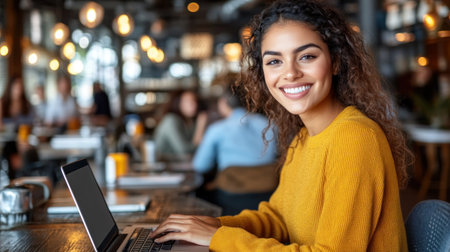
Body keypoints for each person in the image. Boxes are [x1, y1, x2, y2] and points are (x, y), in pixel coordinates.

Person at [150, 0, 413, 251]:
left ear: (335, 62)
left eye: (307, 56)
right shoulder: (303, 139)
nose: (290, 73)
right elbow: (277, 219)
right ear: (263, 73)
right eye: (274, 61)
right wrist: (215, 226)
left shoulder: (354, 138)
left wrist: (220, 237)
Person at [153, 90, 207, 160]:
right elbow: (184, 152)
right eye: (188, 101)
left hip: (181, 165)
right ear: (178, 103)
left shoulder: (191, 120)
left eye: (194, 101)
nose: (194, 105)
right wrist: (200, 128)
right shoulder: (171, 120)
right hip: (166, 165)